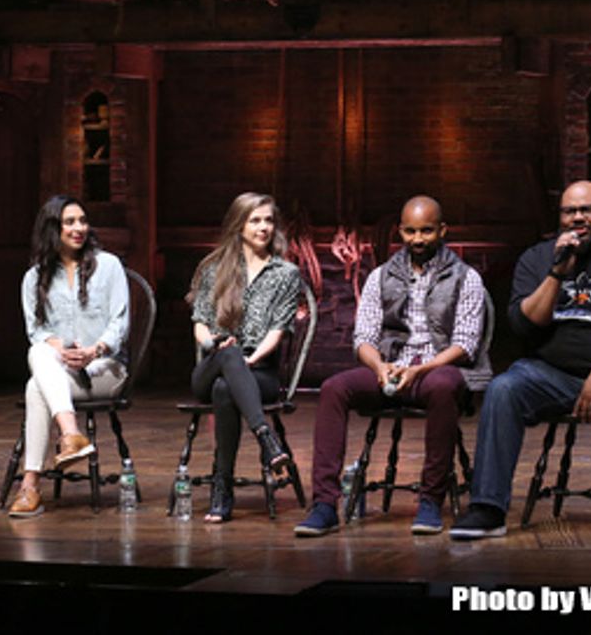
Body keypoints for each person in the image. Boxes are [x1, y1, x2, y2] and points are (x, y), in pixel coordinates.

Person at [451, 180, 591, 541]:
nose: (578, 219)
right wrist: (557, 272)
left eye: (587, 210)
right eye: (570, 211)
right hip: (548, 374)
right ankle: (488, 508)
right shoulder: (538, 258)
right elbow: (524, 324)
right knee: (505, 388)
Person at [294, 196, 488, 537]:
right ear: (400, 231)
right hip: (392, 368)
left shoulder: (465, 277)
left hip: (435, 370)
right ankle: (325, 504)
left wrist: (420, 370)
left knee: (444, 386)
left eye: (426, 231)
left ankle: (430, 500)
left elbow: (465, 344)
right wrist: (380, 367)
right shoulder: (381, 276)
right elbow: (364, 337)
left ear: (442, 230)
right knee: (333, 389)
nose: (417, 239)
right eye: (410, 231)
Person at [7, 196, 130, 518]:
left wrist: (94, 350)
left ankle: (31, 485)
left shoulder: (109, 266)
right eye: (69, 222)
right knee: (38, 357)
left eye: (82, 221)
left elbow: (120, 322)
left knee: (37, 386)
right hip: (60, 371)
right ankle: (70, 434)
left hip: (105, 369)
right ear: (52, 228)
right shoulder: (34, 277)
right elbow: (36, 331)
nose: (79, 228)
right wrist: (59, 348)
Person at [188, 192, 303, 523]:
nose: (263, 227)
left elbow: (277, 332)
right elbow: (199, 322)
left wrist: (249, 361)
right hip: (212, 365)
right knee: (227, 360)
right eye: (255, 220)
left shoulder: (286, 273)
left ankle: (222, 488)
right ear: (239, 226)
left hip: (259, 373)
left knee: (227, 389)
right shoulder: (215, 268)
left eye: (268, 220)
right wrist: (214, 345)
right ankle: (267, 440)